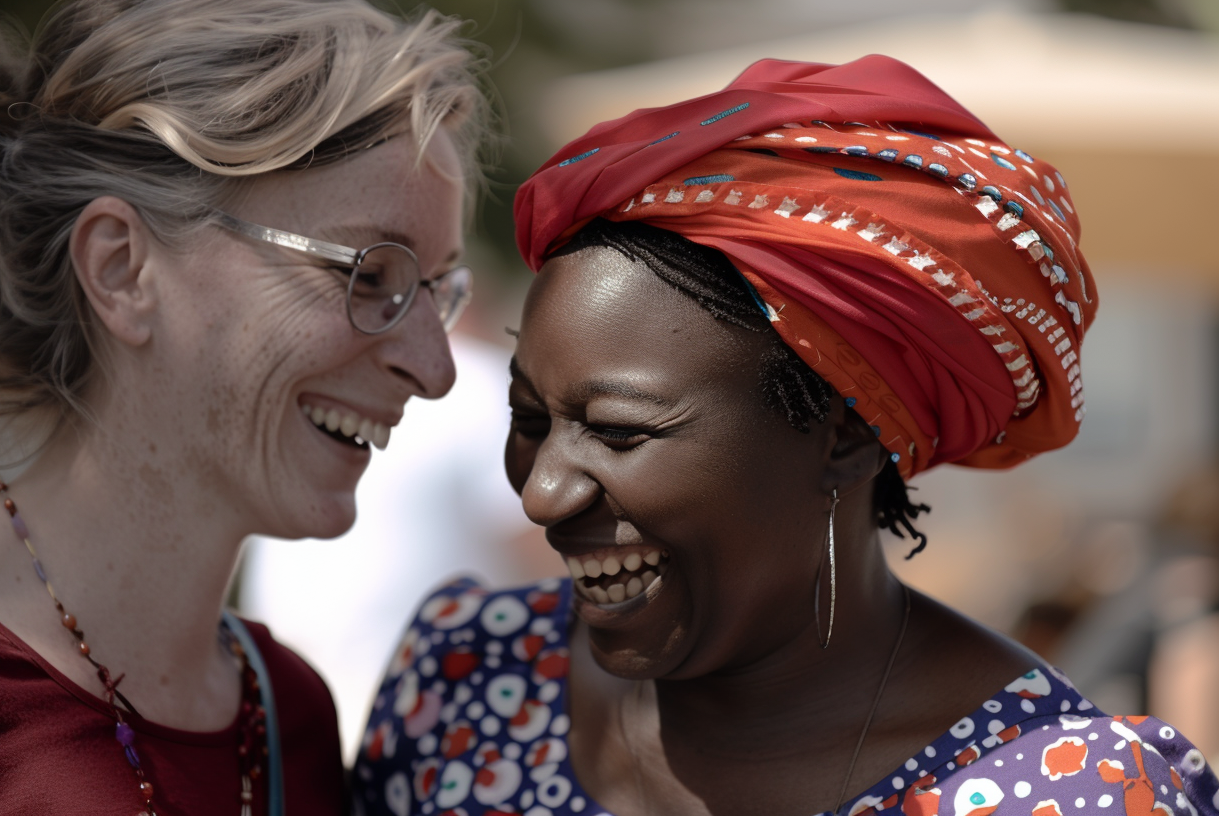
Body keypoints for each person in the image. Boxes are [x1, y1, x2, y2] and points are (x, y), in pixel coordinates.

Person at [353, 57, 1219, 816]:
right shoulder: (467, 683)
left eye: (617, 433)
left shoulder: (1071, 792)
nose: (543, 493)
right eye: (531, 421)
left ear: (842, 434)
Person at [0, 0, 487, 813]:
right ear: (121, 269)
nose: (435, 369)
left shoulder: (292, 720)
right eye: (366, 274)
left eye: (436, 290)